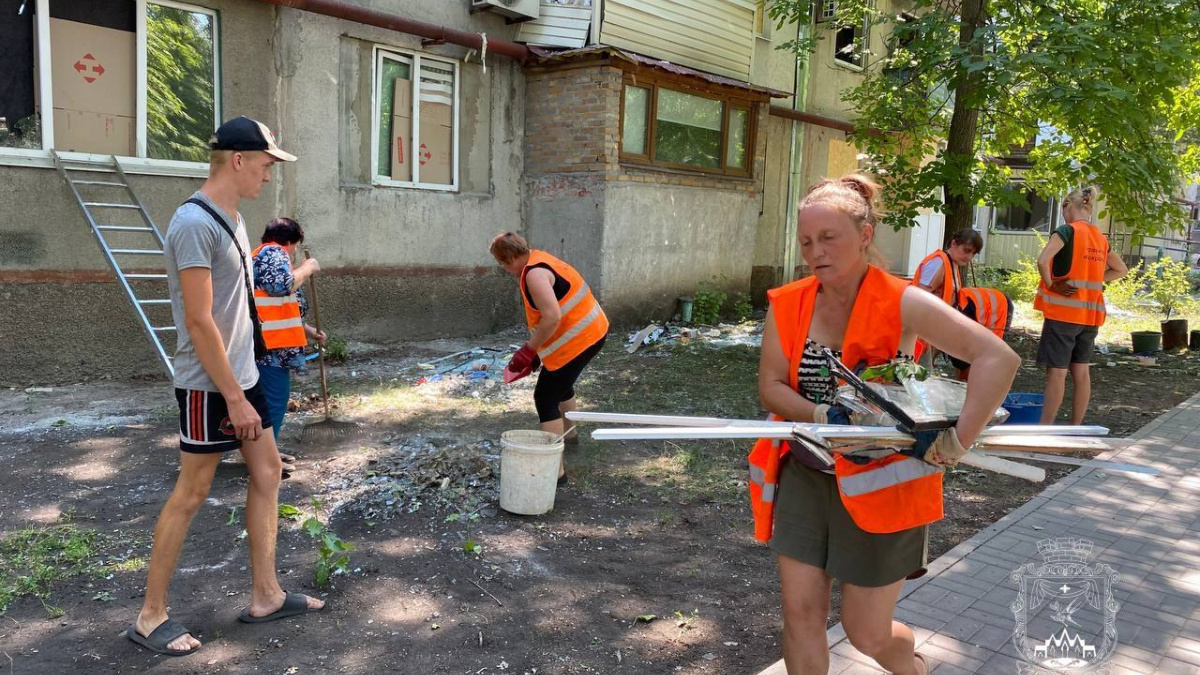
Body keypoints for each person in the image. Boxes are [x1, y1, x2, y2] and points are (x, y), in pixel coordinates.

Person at [750, 175, 1019, 675]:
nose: (815, 252)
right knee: (800, 615)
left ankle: (911, 667)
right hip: (807, 473)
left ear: (865, 235)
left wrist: (958, 440)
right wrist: (819, 416)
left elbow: (996, 358)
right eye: (807, 241)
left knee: (867, 632)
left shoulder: (903, 301)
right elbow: (771, 386)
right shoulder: (788, 303)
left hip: (883, 482)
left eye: (828, 238)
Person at [127, 117, 323, 658]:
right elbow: (198, 321)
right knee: (191, 493)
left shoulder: (234, 218)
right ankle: (149, 617)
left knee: (266, 472)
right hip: (210, 385)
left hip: (246, 375)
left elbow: (240, 310)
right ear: (238, 159)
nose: (268, 175)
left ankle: (266, 594)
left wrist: (252, 374)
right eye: (265, 164)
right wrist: (233, 397)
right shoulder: (194, 223)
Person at [490, 233, 609, 482]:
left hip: (582, 338)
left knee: (545, 397)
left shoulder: (534, 274)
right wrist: (538, 352)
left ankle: (556, 473)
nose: (503, 269)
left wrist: (528, 351)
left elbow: (552, 317)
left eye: (502, 263)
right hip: (592, 330)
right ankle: (571, 439)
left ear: (510, 257)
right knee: (561, 386)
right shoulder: (539, 258)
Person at [1035, 186, 1127, 425]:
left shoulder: (1067, 231)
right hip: (1090, 316)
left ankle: (1044, 430)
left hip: (1064, 313)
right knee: (1081, 372)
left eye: (1063, 208)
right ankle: (1075, 427)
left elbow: (1043, 261)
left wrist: (1052, 284)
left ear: (1067, 206)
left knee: (1056, 372)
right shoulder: (1099, 237)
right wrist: (1095, 279)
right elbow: (1121, 270)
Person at [251, 217, 325, 474]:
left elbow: (276, 306)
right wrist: (307, 268)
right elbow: (280, 286)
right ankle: (264, 461)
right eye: (294, 247)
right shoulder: (274, 252)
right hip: (270, 348)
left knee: (267, 401)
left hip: (272, 344)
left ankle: (265, 452)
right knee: (273, 400)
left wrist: (307, 330)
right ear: (291, 241)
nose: (292, 254)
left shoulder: (262, 255)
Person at [950, 287, 1014, 380]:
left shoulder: (961, 314)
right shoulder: (954, 311)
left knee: (990, 351)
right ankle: (963, 381)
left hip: (1001, 306)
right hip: (985, 304)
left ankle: (983, 382)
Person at [913, 228, 983, 308]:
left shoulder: (952, 264)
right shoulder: (938, 262)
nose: (969, 257)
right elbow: (919, 297)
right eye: (966, 250)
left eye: (973, 254)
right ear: (953, 243)